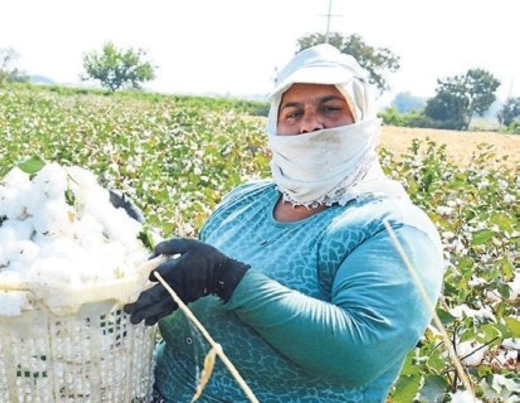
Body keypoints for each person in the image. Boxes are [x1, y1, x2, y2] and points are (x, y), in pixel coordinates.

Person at [124, 44, 445, 402]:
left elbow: (361, 353)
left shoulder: (390, 227)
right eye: (294, 113)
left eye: (331, 108)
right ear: (275, 124)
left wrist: (228, 280)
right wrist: (124, 235)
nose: (311, 123)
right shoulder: (245, 201)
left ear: (364, 119)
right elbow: (191, 278)